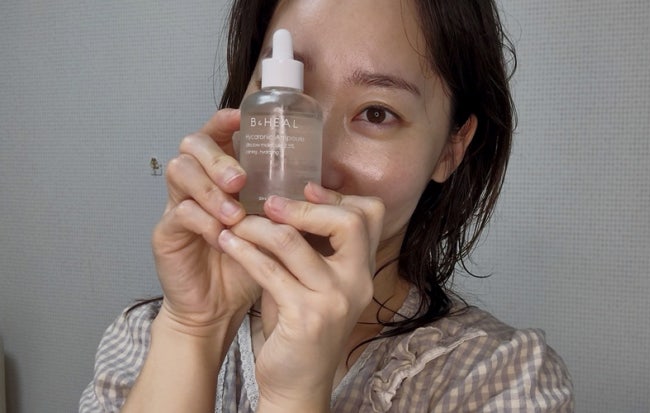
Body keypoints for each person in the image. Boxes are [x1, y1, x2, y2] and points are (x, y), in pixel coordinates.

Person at [80, 0, 573, 411]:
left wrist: (294, 395)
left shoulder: (501, 380)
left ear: (452, 147)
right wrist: (194, 330)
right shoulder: (145, 339)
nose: (310, 162)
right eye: (285, 94)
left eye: (376, 113)